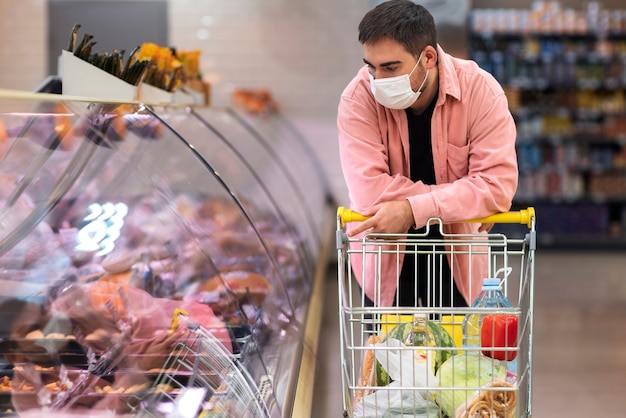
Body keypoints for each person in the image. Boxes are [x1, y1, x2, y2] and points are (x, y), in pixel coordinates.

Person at [337, 0, 518, 309]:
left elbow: (496, 186)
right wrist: (464, 197)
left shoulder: (481, 93)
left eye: (391, 68)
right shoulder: (358, 99)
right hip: (385, 259)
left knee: (457, 355)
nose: (378, 81)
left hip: (458, 258)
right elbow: (368, 192)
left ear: (429, 57)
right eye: (371, 67)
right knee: (387, 357)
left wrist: (410, 209)